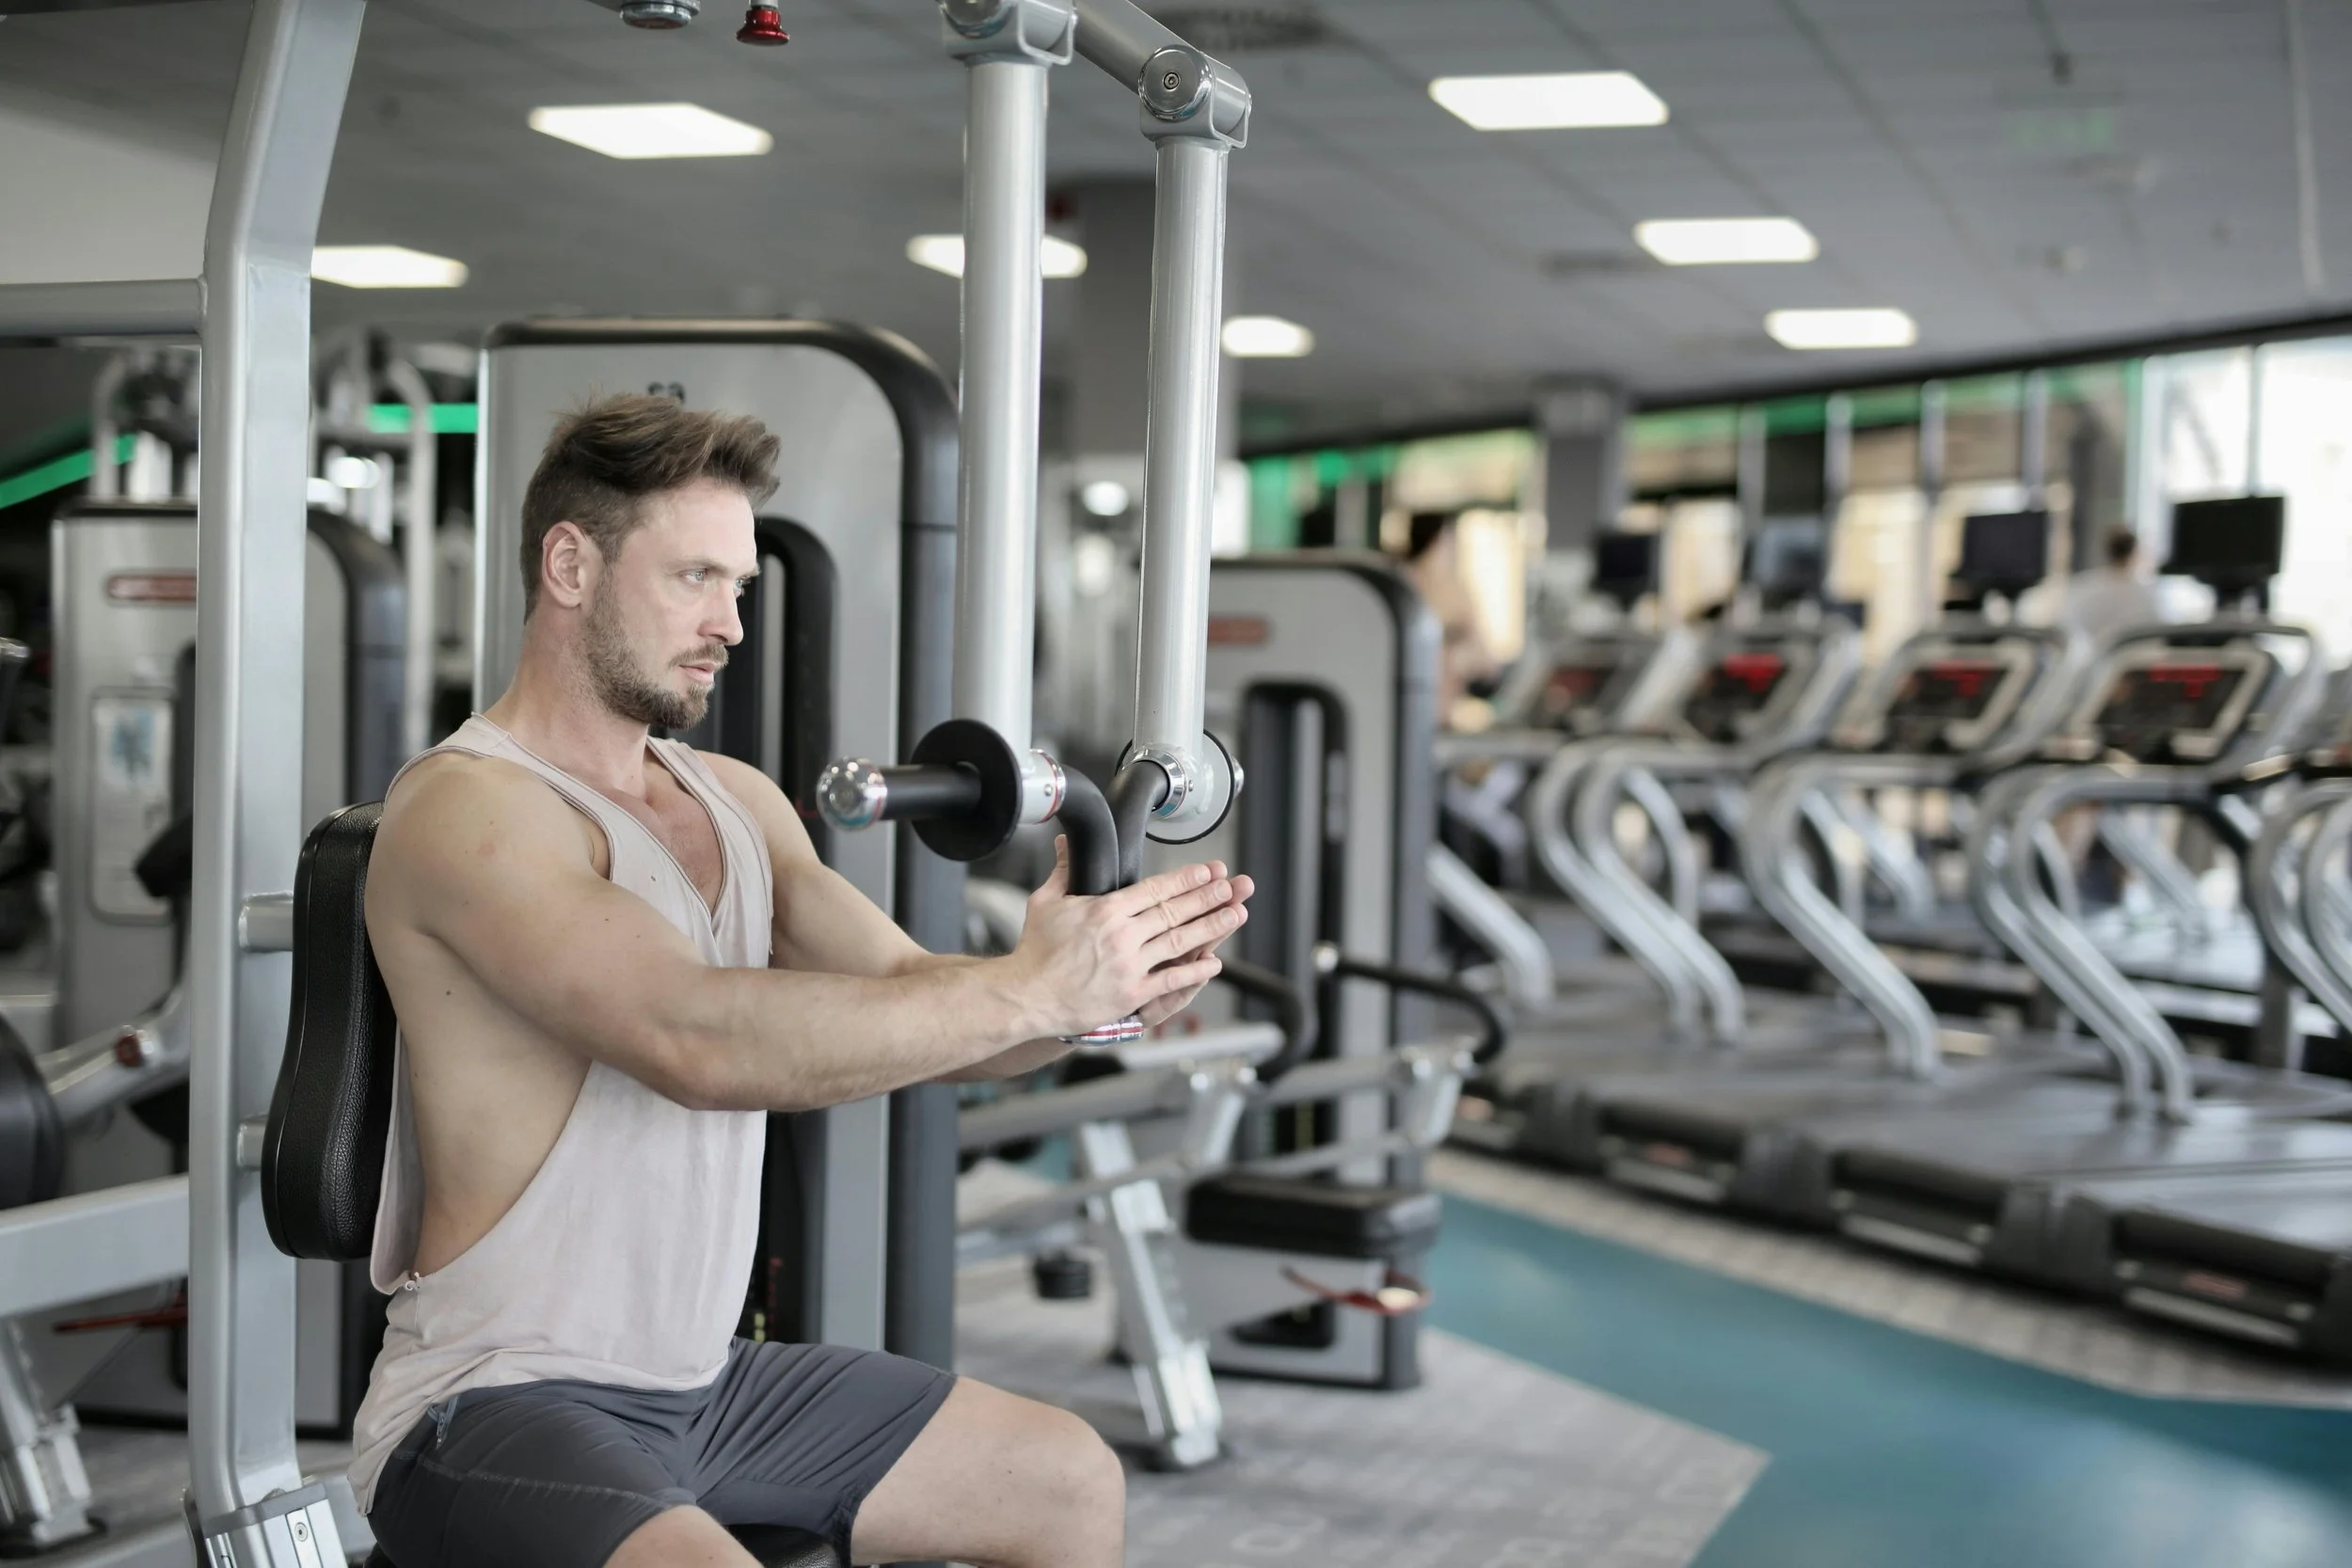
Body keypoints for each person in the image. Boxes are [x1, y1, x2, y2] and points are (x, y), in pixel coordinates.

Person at [351, 395, 1255, 1568]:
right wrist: (1034, 990)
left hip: (706, 1386)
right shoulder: (469, 807)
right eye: (693, 578)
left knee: (1062, 1479)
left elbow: (931, 1005)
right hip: (492, 1399)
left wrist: (1092, 994)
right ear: (569, 564)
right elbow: (696, 1040)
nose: (728, 621)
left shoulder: (737, 799)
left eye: (740, 585)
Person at [1398, 511, 1502, 730]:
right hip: (1432, 703)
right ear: (1440, 540)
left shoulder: (1400, 582)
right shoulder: (1448, 590)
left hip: (1408, 704)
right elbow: (1484, 659)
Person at [2058, 524, 2166, 644]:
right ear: (2134, 552)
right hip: (2133, 660)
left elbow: (2069, 626)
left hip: (2094, 658)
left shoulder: (2083, 585)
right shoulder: (2147, 594)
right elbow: (2156, 632)